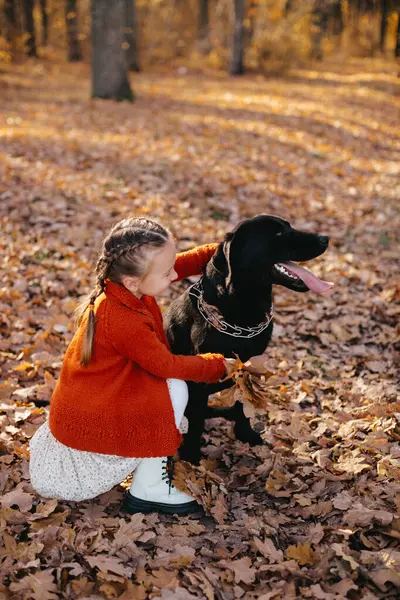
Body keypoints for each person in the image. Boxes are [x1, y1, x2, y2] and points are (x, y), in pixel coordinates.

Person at [29, 216, 254, 515]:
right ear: (134, 280)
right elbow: (165, 364)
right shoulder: (122, 319)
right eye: (166, 273)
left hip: (101, 395)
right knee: (173, 388)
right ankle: (149, 489)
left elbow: (178, 266)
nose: (174, 274)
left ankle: (150, 478)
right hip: (93, 418)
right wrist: (216, 366)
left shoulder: (127, 288)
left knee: (168, 388)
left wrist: (223, 251)